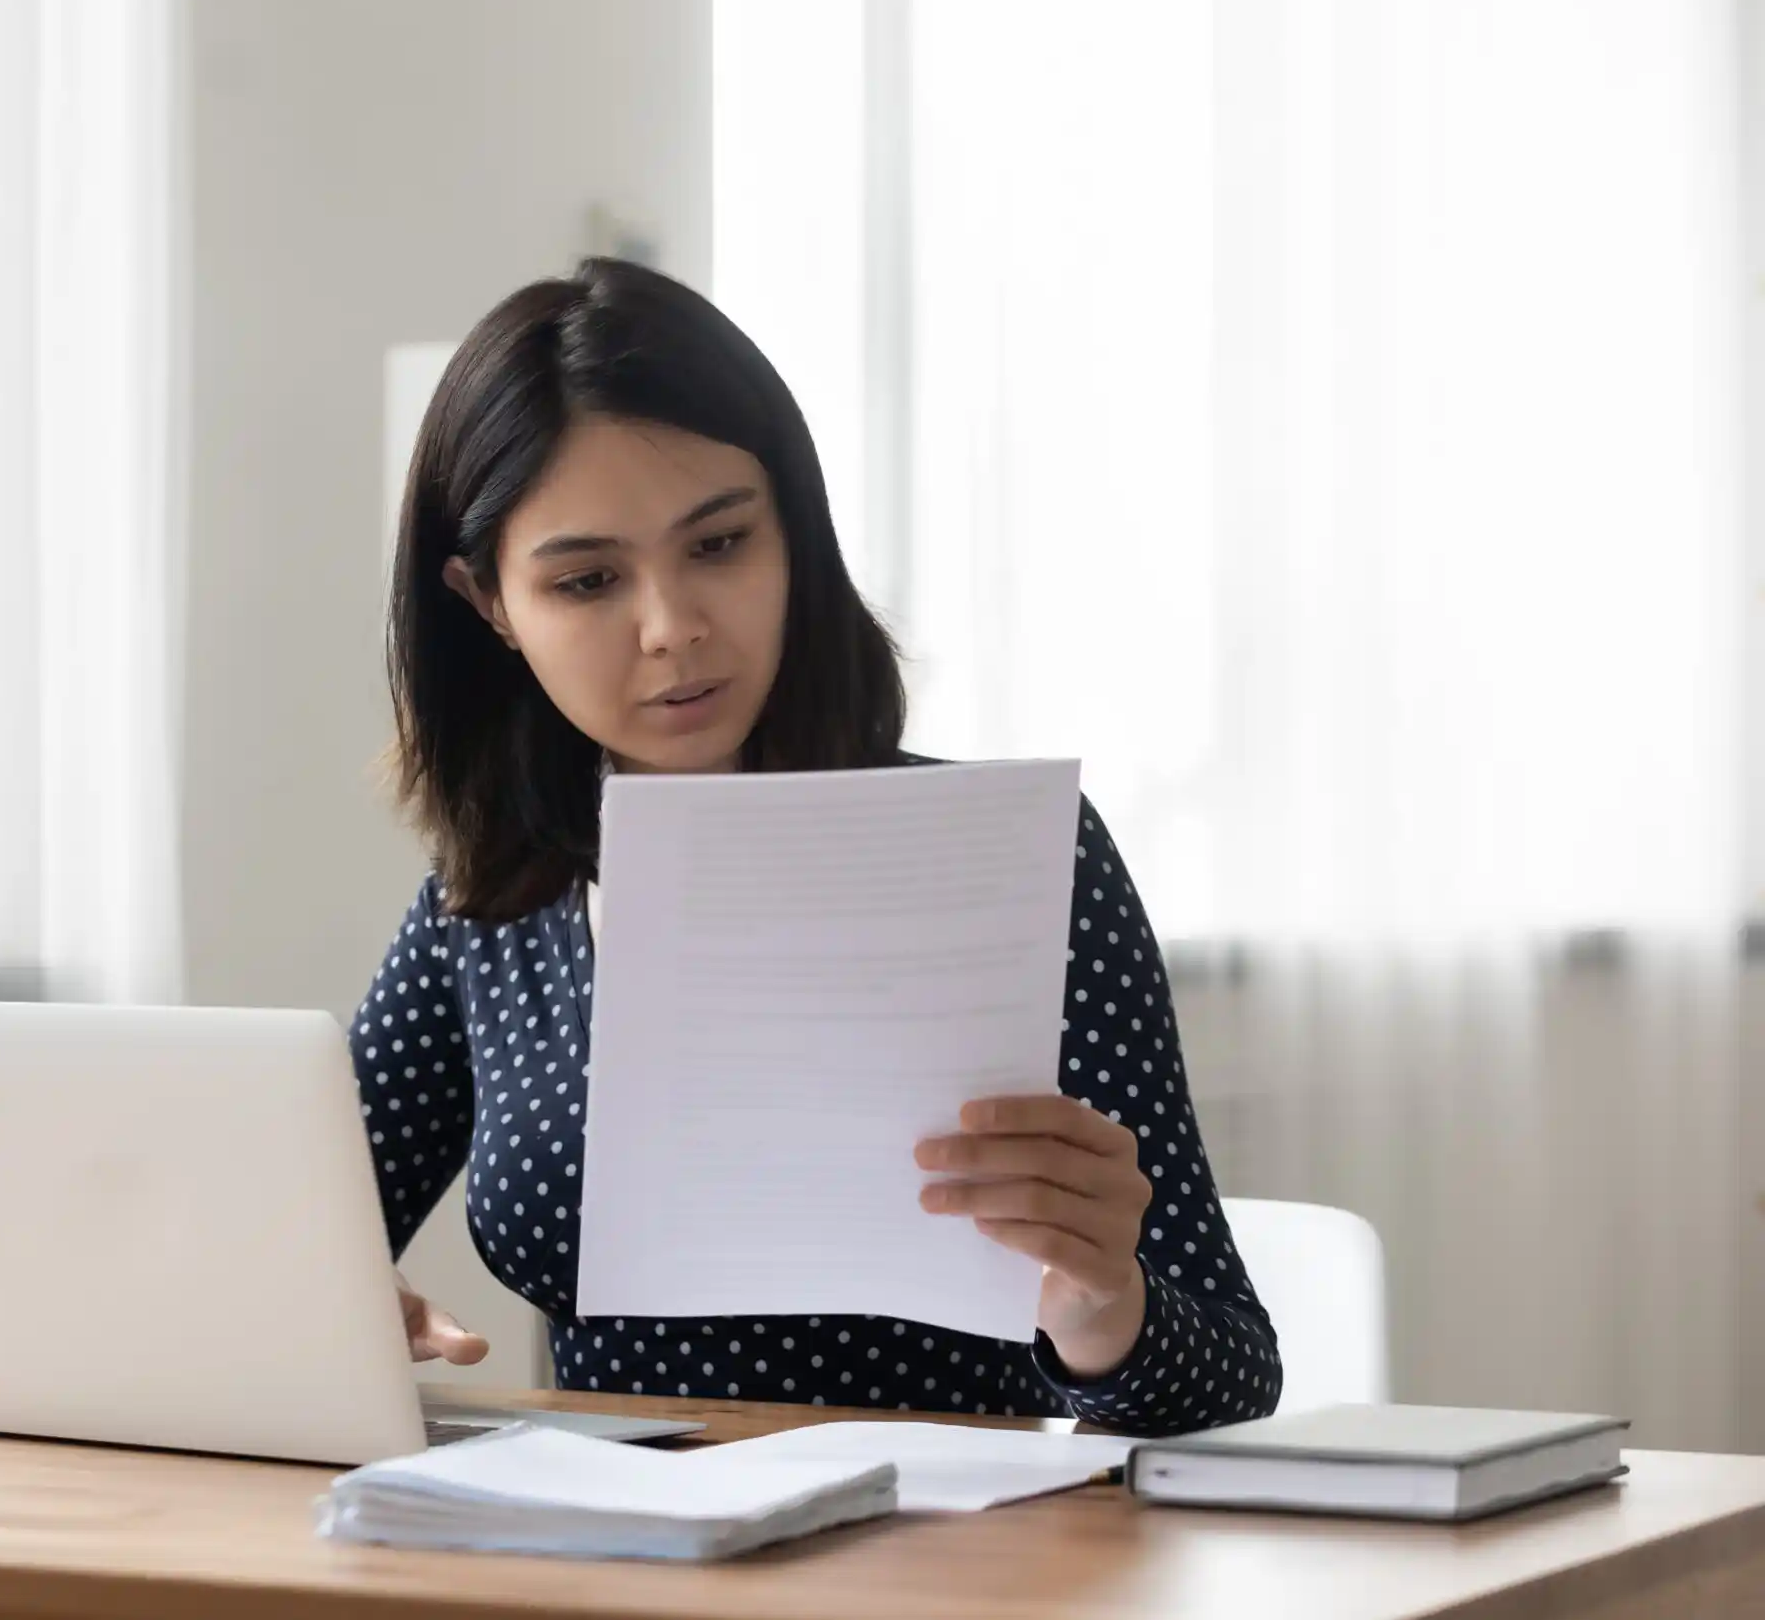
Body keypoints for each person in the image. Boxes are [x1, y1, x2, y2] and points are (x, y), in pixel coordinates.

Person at [354, 257, 1279, 1433]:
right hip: (607, 1555)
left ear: (792, 533)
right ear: (488, 604)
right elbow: (284, 1243)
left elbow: (1234, 1380)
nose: (671, 628)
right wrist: (333, 1313)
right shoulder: (487, 907)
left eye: (721, 546)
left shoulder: (1006, 864)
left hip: (944, 1563)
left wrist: (1104, 1309)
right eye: (587, 580)